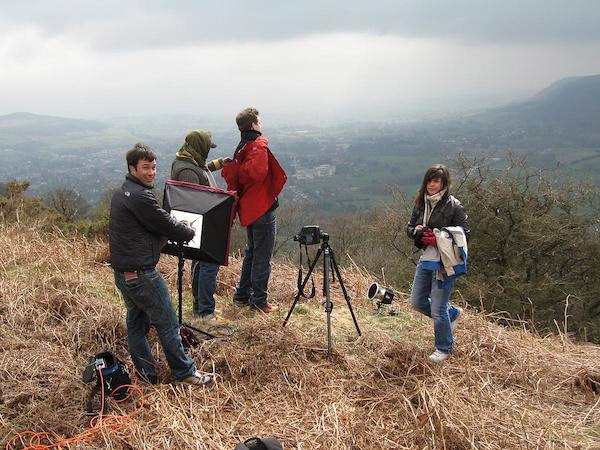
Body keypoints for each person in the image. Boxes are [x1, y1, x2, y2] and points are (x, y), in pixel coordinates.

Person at [109, 142, 214, 386]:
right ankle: (185, 373)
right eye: (146, 167)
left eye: (154, 167)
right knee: (167, 323)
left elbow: (152, 224)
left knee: (136, 323)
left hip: (123, 274)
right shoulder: (140, 196)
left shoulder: (122, 192)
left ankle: (148, 375)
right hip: (142, 275)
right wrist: (186, 231)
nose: (151, 172)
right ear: (132, 168)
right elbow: (166, 224)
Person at [222, 108, 287, 313]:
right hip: (261, 209)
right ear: (253, 125)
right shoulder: (256, 146)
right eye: (259, 121)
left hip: (249, 209)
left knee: (252, 253)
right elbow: (258, 174)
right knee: (262, 256)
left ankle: (242, 295)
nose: (261, 124)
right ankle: (259, 301)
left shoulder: (241, 147)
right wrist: (262, 143)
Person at [406, 164, 469, 363]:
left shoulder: (453, 205)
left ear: (444, 184)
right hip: (426, 258)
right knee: (416, 302)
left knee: (437, 309)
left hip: (445, 262)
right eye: (429, 180)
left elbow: (465, 233)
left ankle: (444, 348)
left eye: (436, 181)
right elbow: (408, 227)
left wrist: (439, 237)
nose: (431, 185)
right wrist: (416, 232)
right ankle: (453, 314)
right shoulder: (421, 203)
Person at [170, 130, 228, 321]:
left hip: (200, 224)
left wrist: (218, 164)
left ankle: (199, 308)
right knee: (208, 265)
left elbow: (201, 171)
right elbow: (194, 200)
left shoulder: (188, 161)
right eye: (207, 148)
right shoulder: (187, 170)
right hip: (201, 224)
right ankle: (205, 312)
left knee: (200, 264)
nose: (208, 152)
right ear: (199, 147)